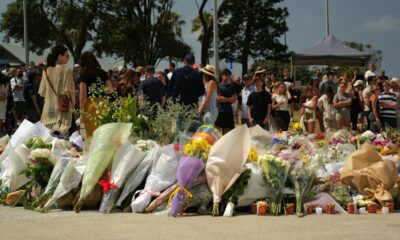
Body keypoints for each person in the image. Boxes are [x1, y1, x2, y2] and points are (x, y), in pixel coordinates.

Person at [39, 45, 75, 134]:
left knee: (48, 141)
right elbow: (71, 92)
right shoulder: (67, 70)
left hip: (47, 112)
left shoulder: (45, 71)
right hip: (62, 111)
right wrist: (74, 107)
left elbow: (42, 92)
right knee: (62, 142)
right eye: (67, 55)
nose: (68, 58)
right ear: (60, 56)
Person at [79, 51, 111, 139]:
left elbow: (82, 95)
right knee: (104, 133)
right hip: (104, 105)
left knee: (92, 135)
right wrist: (100, 91)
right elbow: (110, 88)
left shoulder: (84, 74)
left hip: (91, 106)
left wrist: (81, 113)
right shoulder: (102, 72)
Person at [215, 69, 236, 134]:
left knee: (227, 132)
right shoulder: (218, 86)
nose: (227, 77)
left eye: (229, 75)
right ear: (222, 75)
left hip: (228, 111)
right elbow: (218, 98)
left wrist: (225, 99)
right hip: (220, 111)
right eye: (226, 75)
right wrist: (228, 99)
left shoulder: (232, 86)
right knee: (217, 131)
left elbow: (234, 99)